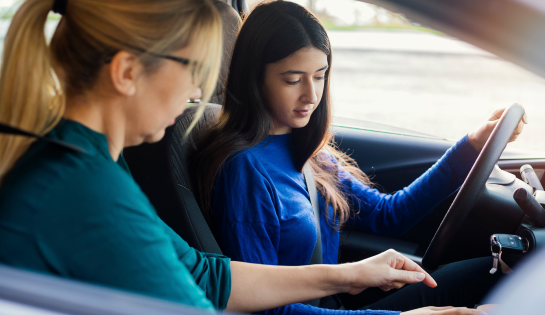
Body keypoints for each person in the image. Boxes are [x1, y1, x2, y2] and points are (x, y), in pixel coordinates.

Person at [0, 0, 446, 313]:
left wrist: (349, 276)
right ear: (128, 72)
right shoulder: (85, 190)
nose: (198, 92)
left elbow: (204, 275)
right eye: (193, 69)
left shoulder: (88, 162)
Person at [194, 1, 527, 314]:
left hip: (337, 305)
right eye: (292, 79)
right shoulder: (245, 171)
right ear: (255, 78)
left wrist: (473, 144)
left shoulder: (309, 152)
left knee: (499, 269)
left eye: (320, 76)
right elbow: (264, 309)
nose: (311, 95)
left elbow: (389, 214)